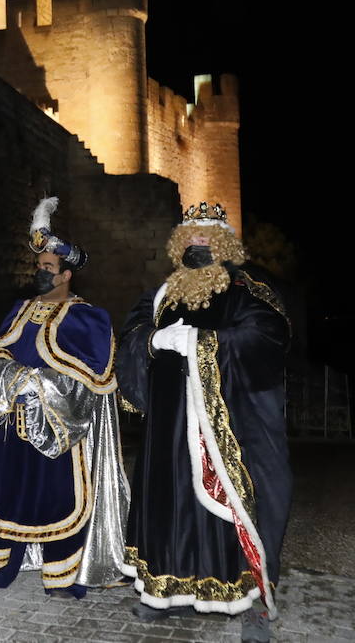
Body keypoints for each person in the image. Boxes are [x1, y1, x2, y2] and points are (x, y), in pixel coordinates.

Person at [117, 202, 292, 642]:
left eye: (207, 237)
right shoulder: (159, 296)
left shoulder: (246, 291)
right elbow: (133, 336)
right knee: (169, 501)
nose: (197, 243)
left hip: (225, 426)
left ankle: (250, 598)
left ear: (224, 245)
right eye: (189, 236)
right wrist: (154, 338)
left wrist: (201, 340)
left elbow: (268, 336)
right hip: (169, 426)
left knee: (230, 507)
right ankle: (164, 590)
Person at [0, 197, 129, 598]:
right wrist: (13, 375)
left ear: (66, 274)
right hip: (17, 420)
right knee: (8, 492)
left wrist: (43, 384)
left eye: (48, 269)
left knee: (57, 497)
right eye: (39, 267)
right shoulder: (21, 308)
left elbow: (95, 374)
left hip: (59, 427)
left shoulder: (88, 316)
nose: (40, 273)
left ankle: (63, 577)